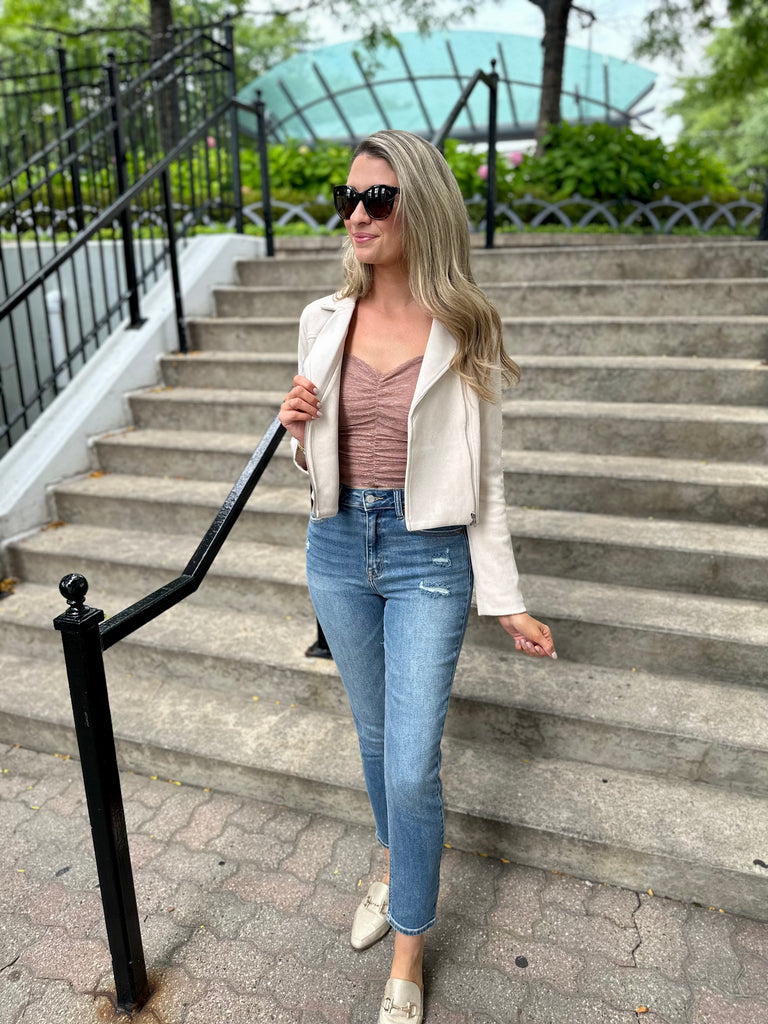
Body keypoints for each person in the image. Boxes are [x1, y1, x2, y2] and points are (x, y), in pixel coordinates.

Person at [278, 129, 556, 1024]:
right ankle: (395, 864)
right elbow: (313, 457)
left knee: (409, 764)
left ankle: (409, 946)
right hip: (336, 546)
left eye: (378, 198)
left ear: (421, 207)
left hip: (427, 554)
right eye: (346, 198)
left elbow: (487, 480)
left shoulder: (467, 326)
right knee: (372, 737)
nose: (356, 215)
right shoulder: (323, 319)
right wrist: (296, 432)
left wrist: (505, 599)